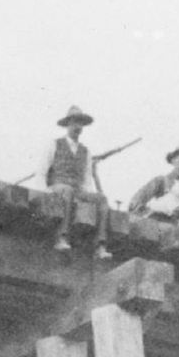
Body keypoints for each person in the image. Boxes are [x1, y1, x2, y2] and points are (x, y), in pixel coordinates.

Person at [37, 105, 113, 259]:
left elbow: (86, 180)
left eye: (80, 124)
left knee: (102, 198)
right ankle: (62, 237)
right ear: (67, 125)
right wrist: (43, 192)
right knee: (67, 190)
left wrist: (87, 198)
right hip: (57, 186)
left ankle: (100, 245)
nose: (78, 127)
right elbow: (42, 171)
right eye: (74, 123)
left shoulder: (86, 151)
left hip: (77, 190)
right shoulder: (54, 144)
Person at [128, 144, 179, 230]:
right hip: (157, 217)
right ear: (173, 160)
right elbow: (138, 198)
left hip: (176, 221)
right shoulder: (161, 180)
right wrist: (138, 213)